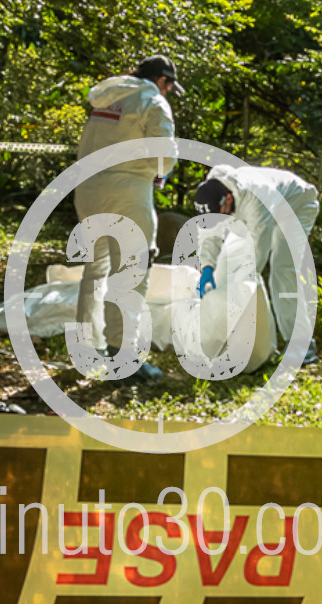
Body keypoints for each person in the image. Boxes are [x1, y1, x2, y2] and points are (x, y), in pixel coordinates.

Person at [72, 55, 183, 382]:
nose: (168, 94)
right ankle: (125, 356)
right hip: (127, 190)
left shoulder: (107, 98)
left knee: (95, 270)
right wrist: (160, 175)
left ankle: (88, 348)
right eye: (170, 88)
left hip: (88, 188)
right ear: (162, 80)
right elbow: (163, 154)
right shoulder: (152, 101)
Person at [192, 165, 320, 348]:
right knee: (226, 261)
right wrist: (207, 267)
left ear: (228, 198)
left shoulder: (257, 199)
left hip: (296, 206)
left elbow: (256, 255)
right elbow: (209, 233)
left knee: (283, 267)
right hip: (258, 209)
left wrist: (239, 295)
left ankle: (301, 344)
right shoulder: (213, 190)